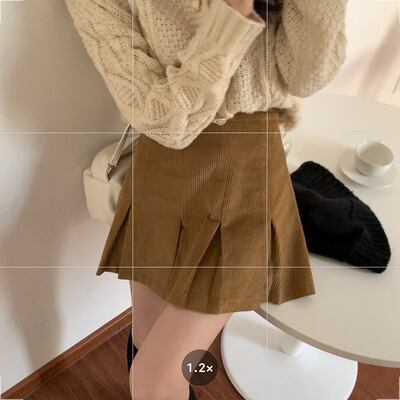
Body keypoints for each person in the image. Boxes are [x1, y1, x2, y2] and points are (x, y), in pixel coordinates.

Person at [65, 0, 348, 399]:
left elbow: (306, 76)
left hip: (246, 169)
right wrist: (231, 18)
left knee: (155, 377)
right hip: (163, 164)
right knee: (148, 341)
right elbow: (163, 120)